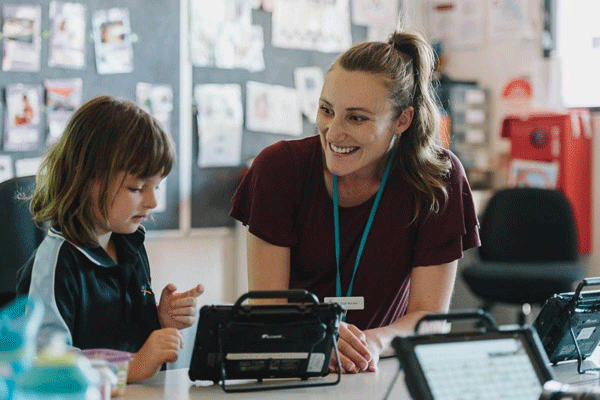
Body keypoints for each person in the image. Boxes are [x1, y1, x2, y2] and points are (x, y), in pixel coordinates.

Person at [229, 30, 480, 374]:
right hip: (295, 368)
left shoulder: (438, 178)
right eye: (326, 110)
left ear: (402, 120)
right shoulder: (279, 168)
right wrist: (317, 337)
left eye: (356, 118)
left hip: (380, 369)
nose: (333, 133)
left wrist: (372, 343)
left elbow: (430, 319)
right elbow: (268, 311)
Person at [16, 95, 204, 382]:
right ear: (87, 179)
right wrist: (131, 365)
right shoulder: (56, 262)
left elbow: (122, 335)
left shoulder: (130, 244)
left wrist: (160, 320)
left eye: (157, 186)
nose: (153, 201)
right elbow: (45, 362)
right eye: (137, 187)